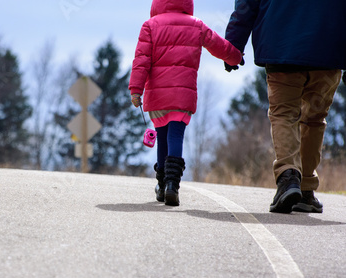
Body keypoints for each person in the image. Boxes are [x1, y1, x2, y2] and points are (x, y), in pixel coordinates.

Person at [225, 0, 346, 214]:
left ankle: (288, 178)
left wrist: (233, 45)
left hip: (282, 46)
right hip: (328, 49)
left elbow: (246, 5)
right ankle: (306, 189)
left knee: (284, 114)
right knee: (314, 119)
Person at [129, 0, 242, 206]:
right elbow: (218, 44)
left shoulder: (150, 25)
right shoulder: (196, 24)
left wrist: (136, 90)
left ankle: (162, 185)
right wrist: (235, 57)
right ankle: (173, 185)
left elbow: (141, 59)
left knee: (161, 136)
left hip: (158, 95)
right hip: (183, 94)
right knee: (176, 136)